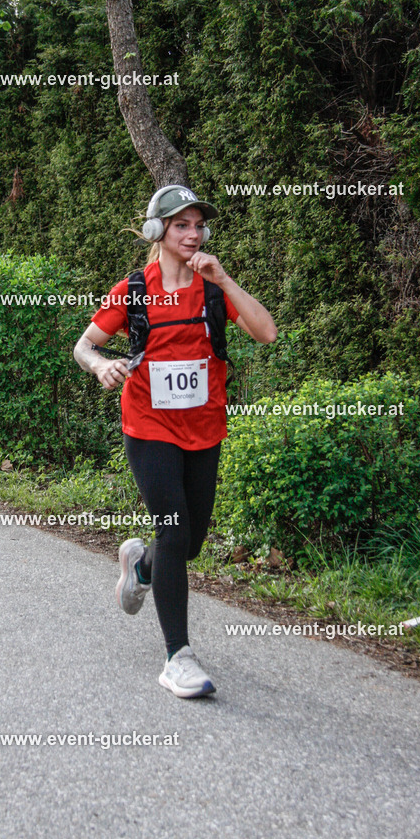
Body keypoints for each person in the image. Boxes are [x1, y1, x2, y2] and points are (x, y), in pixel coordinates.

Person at [73, 185, 277, 698]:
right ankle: (177, 656)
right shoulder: (134, 290)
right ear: (156, 231)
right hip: (148, 425)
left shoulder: (212, 290)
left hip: (205, 428)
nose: (192, 233)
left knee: (190, 542)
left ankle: (139, 567)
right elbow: (84, 345)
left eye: (198, 225)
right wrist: (101, 365)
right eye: (181, 225)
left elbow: (266, 333)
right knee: (173, 528)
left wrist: (225, 279)